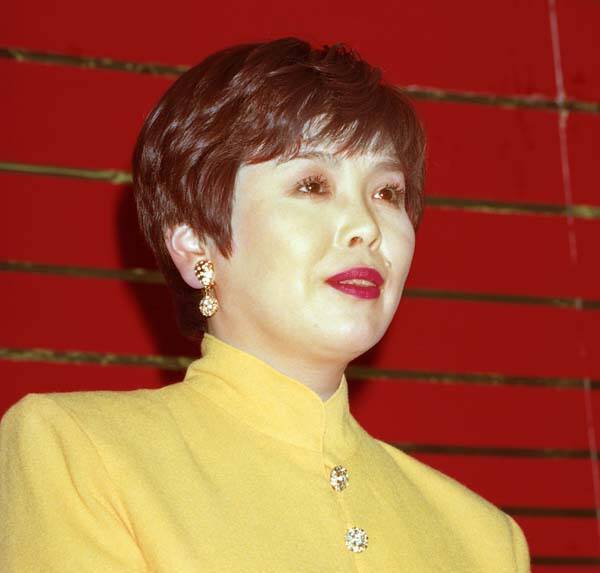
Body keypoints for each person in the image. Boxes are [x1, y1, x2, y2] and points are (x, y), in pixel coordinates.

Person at [0, 37, 530, 571]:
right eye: (313, 185)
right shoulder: (80, 453)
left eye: (387, 193)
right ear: (194, 243)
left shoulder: (484, 541)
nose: (366, 227)